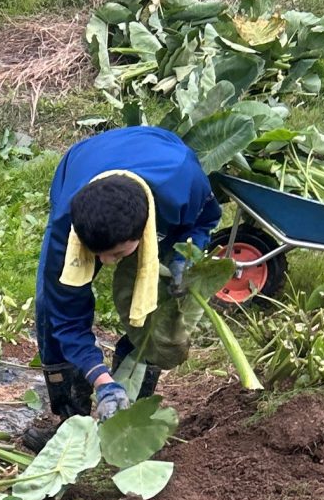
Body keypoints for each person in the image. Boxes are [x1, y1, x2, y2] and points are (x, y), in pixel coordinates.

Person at [35, 124, 222, 421]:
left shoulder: (183, 181)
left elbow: (204, 221)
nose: (107, 263)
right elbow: (67, 318)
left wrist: (186, 255)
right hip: (82, 163)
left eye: (117, 254)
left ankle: (128, 410)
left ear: (147, 227)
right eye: (97, 255)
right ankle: (72, 417)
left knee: (161, 302)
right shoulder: (65, 223)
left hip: (158, 154)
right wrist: (101, 380)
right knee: (50, 306)